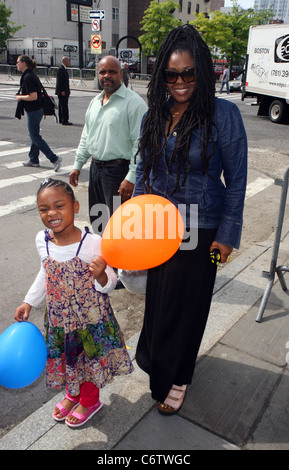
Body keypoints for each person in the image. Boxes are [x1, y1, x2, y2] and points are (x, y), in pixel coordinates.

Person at [133, 25, 247, 415]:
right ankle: (161, 367)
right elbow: (145, 169)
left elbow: (237, 180)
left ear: (202, 71)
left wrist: (228, 236)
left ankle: (178, 377)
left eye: (188, 74)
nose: (180, 82)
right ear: (162, 75)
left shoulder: (224, 114)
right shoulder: (156, 113)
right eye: (171, 74)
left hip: (204, 231)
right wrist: (136, 223)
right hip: (160, 228)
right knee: (160, 302)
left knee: (190, 305)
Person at [14, 178, 133, 428]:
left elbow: (111, 282)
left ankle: (89, 400)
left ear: (75, 207)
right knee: (69, 359)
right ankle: (72, 394)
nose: (52, 214)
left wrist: (101, 274)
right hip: (59, 318)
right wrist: (29, 301)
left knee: (88, 361)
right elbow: (45, 272)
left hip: (89, 321)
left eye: (59, 206)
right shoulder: (42, 240)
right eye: (44, 209)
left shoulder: (93, 243)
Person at [69, 55, 147, 235]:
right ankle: (105, 262)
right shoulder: (95, 102)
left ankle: (123, 264)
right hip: (96, 171)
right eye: (102, 72)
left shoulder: (134, 104)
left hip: (118, 174)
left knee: (121, 229)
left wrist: (131, 177)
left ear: (121, 73)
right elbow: (87, 135)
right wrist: (77, 164)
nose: (107, 75)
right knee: (99, 225)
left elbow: (141, 144)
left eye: (112, 71)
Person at [15, 55, 62, 171]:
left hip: (34, 110)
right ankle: (33, 159)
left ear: (24, 63)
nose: (16, 64)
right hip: (36, 109)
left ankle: (54, 159)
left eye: (18, 62)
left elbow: (33, 96)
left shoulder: (27, 77)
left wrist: (20, 97)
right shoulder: (30, 75)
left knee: (35, 136)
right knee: (34, 135)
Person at [55, 56, 72, 125]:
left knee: (62, 105)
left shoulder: (63, 69)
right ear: (65, 61)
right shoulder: (61, 69)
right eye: (68, 61)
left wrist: (68, 90)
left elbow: (66, 82)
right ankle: (64, 119)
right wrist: (62, 90)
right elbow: (60, 81)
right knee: (63, 105)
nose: (69, 62)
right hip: (62, 91)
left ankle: (61, 119)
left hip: (65, 90)